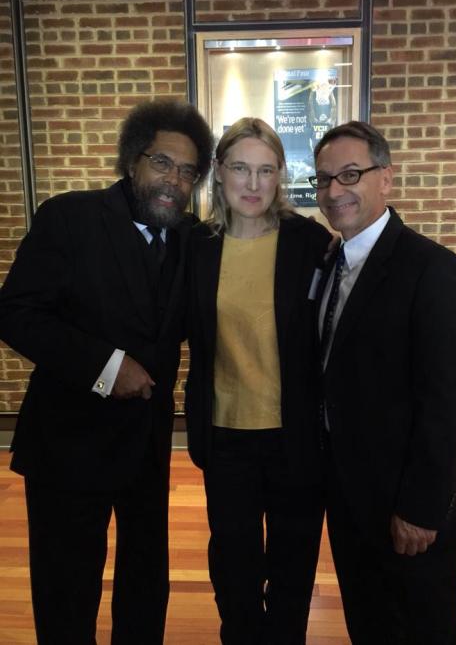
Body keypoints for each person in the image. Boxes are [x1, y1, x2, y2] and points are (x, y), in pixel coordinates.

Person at [0, 99, 213, 645]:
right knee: (67, 588)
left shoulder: (192, 238)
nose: (174, 180)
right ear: (131, 161)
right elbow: (16, 313)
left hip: (146, 444)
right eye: (162, 162)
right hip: (67, 445)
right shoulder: (69, 218)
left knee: (146, 582)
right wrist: (105, 366)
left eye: (188, 171)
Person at [310, 120, 456, 645]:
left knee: (424, 628)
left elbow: (450, 403)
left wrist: (421, 508)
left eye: (349, 175)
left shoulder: (432, 269)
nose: (334, 191)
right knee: (369, 622)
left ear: (385, 179)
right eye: (323, 180)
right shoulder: (330, 259)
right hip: (350, 496)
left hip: (409, 508)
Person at [185, 117, 331, 645]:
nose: (252, 184)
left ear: (279, 177)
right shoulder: (197, 245)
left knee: (293, 563)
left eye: (265, 170)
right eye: (241, 168)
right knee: (234, 563)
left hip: (295, 434)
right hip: (225, 434)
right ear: (219, 173)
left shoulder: (309, 241)